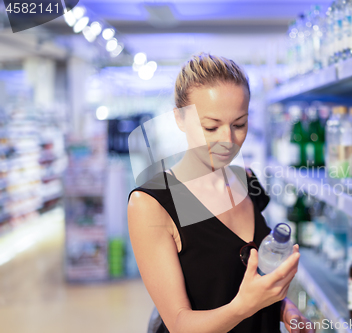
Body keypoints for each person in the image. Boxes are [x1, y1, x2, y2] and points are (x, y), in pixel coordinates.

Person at [128, 53, 314, 333]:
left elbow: (246, 277)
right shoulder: (152, 204)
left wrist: (284, 307)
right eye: (211, 127)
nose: (228, 141)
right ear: (179, 118)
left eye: (239, 124)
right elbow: (180, 324)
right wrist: (246, 305)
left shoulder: (247, 181)